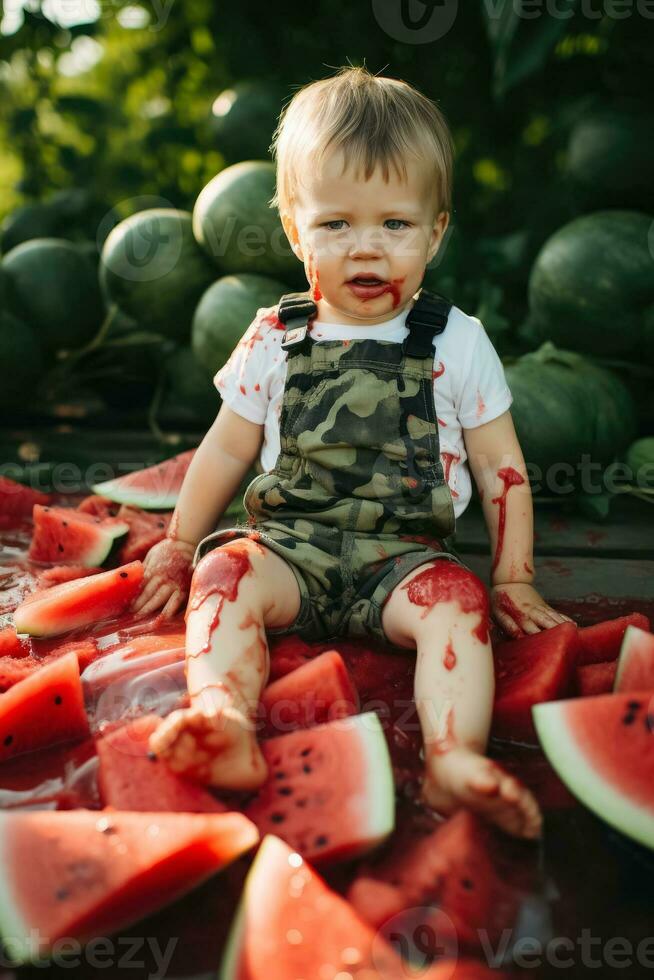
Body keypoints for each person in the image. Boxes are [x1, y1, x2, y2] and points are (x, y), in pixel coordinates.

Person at [133, 65, 573, 840]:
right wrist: (176, 543)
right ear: (296, 231)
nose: (366, 248)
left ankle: (453, 755)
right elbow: (225, 446)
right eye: (336, 225)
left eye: (395, 226)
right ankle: (222, 716)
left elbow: (501, 466)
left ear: (436, 231)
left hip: (404, 561)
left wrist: (512, 573)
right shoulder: (275, 333)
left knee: (458, 608)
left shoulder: (456, 340)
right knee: (222, 572)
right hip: (288, 551)